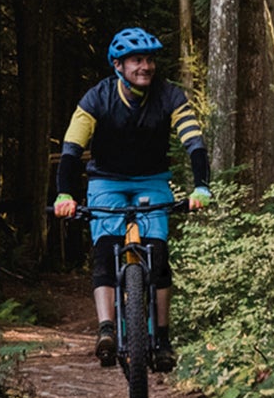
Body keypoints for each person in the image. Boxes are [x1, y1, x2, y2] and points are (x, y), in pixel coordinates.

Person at [51, 28, 211, 372]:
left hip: (152, 182)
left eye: (150, 59)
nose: (146, 66)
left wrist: (201, 187)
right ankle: (107, 329)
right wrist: (65, 194)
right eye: (137, 60)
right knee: (106, 249)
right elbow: (71, 149)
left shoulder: (170, 96)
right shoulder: (97, 98)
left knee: (159, 253)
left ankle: (163, 339)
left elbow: (194, 142)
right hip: (106, 182)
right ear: (119, 65)